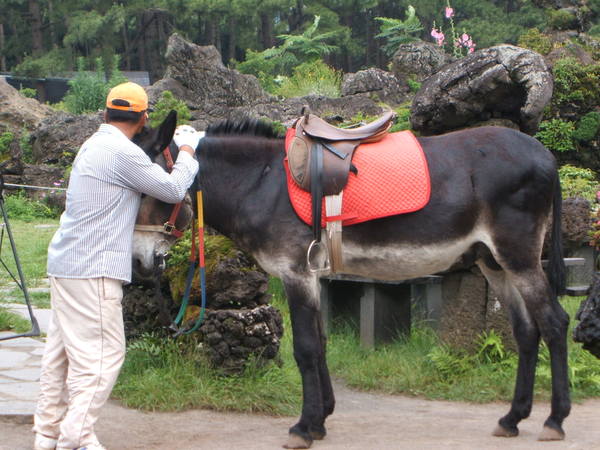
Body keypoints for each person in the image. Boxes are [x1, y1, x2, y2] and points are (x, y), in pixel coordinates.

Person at [33, 82, 202, 450]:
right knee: (103, 356)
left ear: (106, 112)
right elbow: (173, 191)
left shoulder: (94, 144)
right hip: (93, 268)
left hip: (67, 262)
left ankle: (48, 434)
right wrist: (188, 150)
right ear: (143, 117)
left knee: (61, 355)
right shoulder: (121, 151)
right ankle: (75, 438)